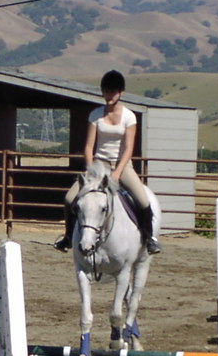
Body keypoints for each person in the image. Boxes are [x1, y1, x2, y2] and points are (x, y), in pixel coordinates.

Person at [55, 70, 161, 254]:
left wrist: (118, 172)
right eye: (106, 91)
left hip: (122, 165)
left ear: (121, 92)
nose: (109, 95)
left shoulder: (129, 117)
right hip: (99, 164)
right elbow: (89, 146)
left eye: (113, 91)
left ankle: (149, 238)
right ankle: (68, 237)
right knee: (69, 199)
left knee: (143, 201)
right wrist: (91, 169)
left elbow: (128, 149)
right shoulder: (95, 115)